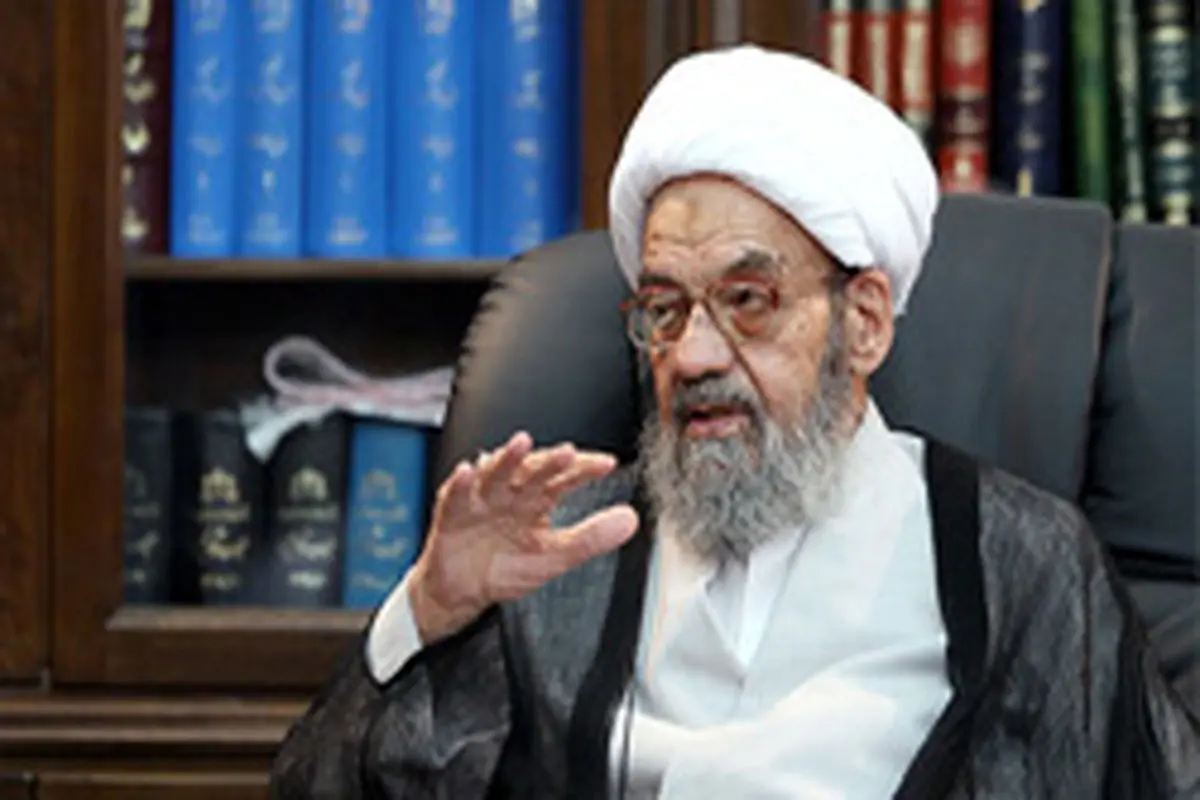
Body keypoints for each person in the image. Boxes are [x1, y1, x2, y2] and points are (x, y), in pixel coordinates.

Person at [270, 46, 1200, 799]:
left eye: (748, 300)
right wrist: (430, 611)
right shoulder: (565, 553)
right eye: (664, 309)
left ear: (865, 321)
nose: (693, 355)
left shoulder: (1015, 558)